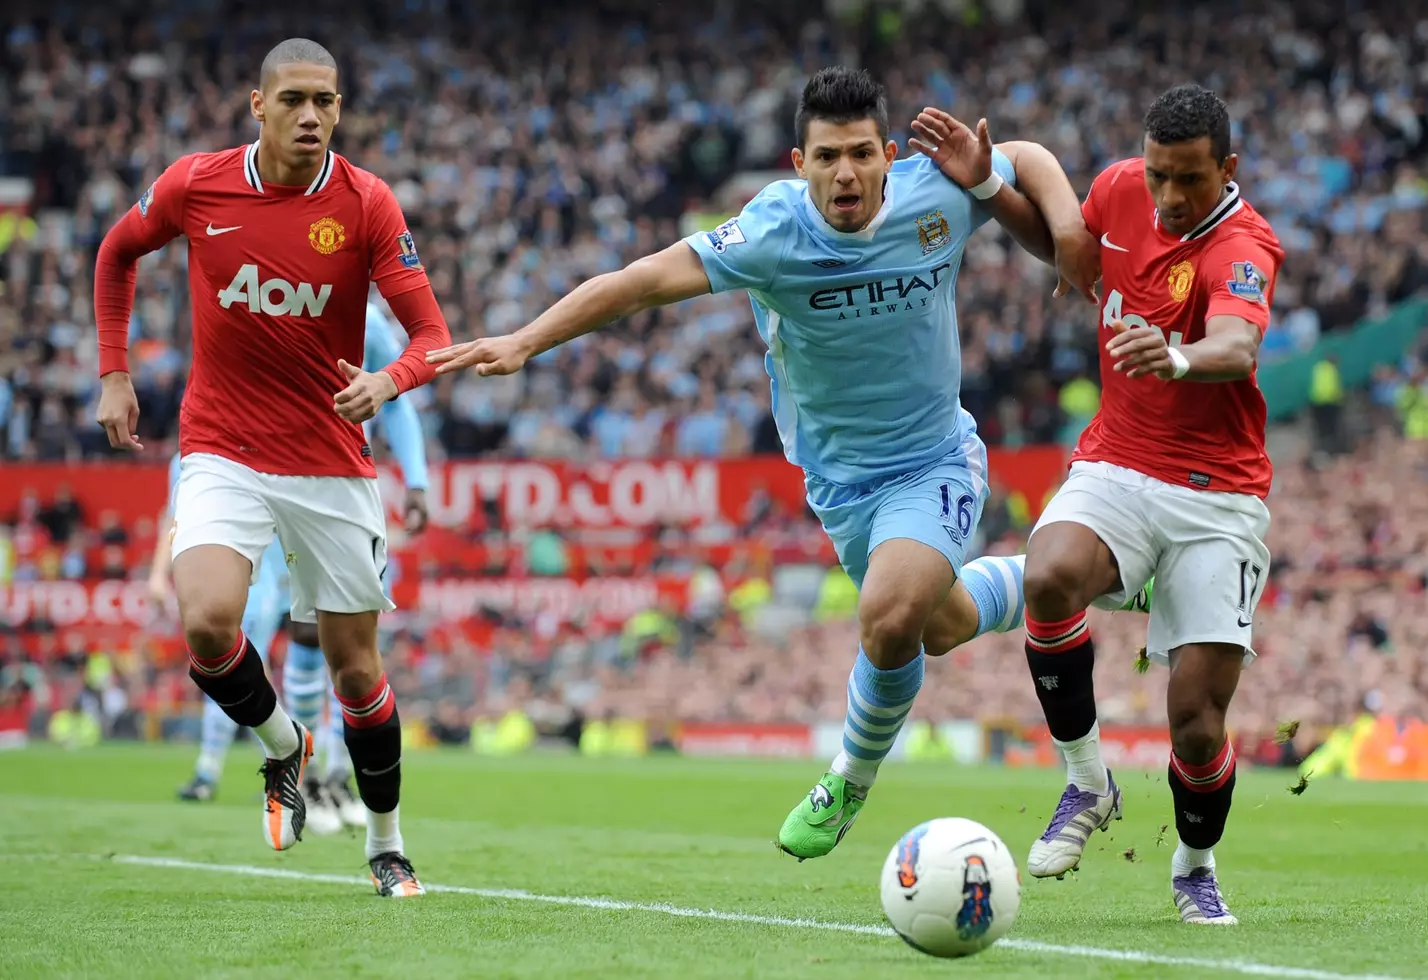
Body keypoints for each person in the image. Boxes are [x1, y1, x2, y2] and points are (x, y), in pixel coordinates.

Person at [427, 66, 1100, 861]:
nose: (844, 173)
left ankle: (848, 775)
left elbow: (1028, 156)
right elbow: (641, 283)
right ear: (797, 162)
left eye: (858, 154)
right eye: (825, 158)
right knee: (939, 624)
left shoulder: (937, 192)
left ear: (889, 154)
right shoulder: (771, 231)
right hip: (840, 484)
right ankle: (1090, 576)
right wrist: (525, 339)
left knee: (889, 615)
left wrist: (1067, 233)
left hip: (934, 458)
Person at [94, 37, 449, 898]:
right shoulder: (197, 184)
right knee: (210, 622)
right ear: (258, 106)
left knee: (358, 671)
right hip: (224, 448)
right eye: (293, 99)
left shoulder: (366, 204)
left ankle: (385, 841)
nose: (311, 117)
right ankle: (287, 749)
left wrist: (387, 379)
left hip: (330, 461)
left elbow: (432, 337)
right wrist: (113, 370)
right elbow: (116, 252)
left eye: (325, 101)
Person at [1018, 84, 1285, 925]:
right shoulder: (1121, 186)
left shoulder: (1245, 243)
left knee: (1197, 726)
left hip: (1219, 496)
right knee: (1049, 575)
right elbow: (1074, 252)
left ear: (1228, 169)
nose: (1170, 196)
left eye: (1191, 180)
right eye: (1161, 173)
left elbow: (1237, 345)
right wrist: (993, 193)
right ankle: (1087, 782)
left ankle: (1194, 865)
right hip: (1121, 463)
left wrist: (1174, 356)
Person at [156, 302, 432, 838]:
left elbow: (394, 399)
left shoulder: (363, 319)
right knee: (245, 631)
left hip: (330, 489)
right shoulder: (244, 294)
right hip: (250, 488)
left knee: (334, 644)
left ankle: (327, 774)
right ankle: (291, 767)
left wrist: (416, 481)